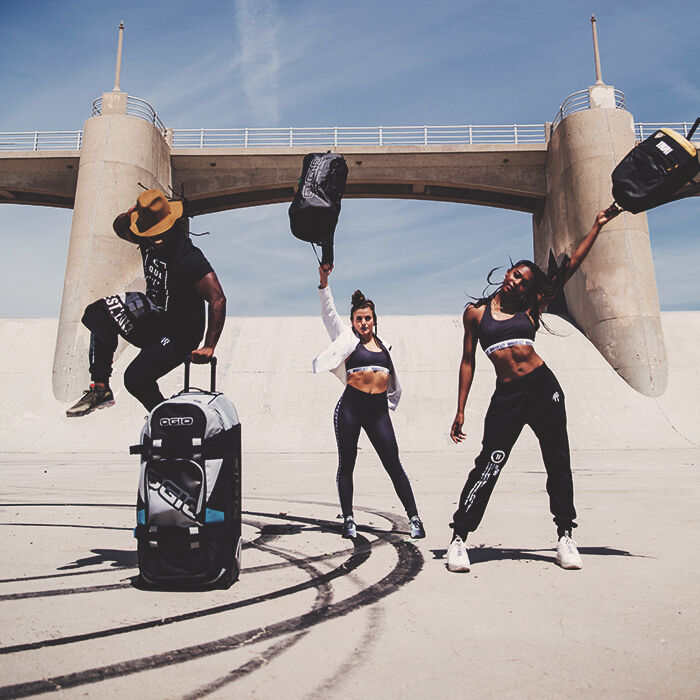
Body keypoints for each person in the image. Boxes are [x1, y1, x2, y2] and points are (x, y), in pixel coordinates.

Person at [446, 207, 619, 573]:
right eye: (515, 273)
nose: (516, 281)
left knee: (557, 461)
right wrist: (460, 409)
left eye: (524, 280)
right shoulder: (475, 313)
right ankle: (459, 537)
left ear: (528, 288)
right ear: (506, 273)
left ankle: (565, 535)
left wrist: (597, 226)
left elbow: (570, 266)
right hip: (507, 396)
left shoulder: (531, 308)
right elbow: (467, 361)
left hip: (543, 388)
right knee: (490, 463)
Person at [66, 189, 226, 416]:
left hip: (180, 335)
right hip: (153, 317)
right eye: (151, 234)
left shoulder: (189, 257)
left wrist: (209, 346)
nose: (155, 239)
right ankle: (100, 388)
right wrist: (131, 214)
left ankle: (168, 421)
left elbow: (217, 298)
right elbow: (119, 227)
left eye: (160, 234)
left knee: (135, 378)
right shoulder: (145, 237)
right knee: (97, 314)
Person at [313, 263, 425, 540]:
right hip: (350, 409)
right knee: (347, 463)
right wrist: (324, 282)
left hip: (378, 413)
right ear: (352, 322)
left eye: (368, 318)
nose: (364, 323)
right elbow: (329, 314)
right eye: (359, 319)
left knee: (393, 463)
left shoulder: (384, 346)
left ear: (374, 320)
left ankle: (414, 517)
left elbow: (392, 381)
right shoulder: (347, 340)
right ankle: (348, 518)